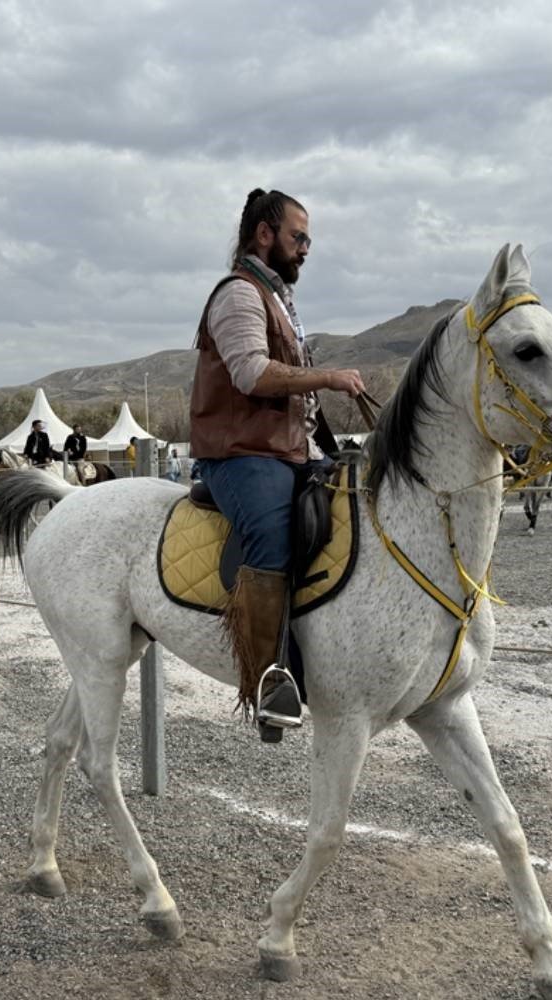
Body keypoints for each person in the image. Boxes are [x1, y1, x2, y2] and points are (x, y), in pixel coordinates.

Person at [189, 188, 365, 736]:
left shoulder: (279, 299)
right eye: (299, 236)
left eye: (307, 238)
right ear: (265, 234)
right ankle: (269, 679)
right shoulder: (239, 295)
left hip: (288, 449)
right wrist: (328, 377)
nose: (306, 248)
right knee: (271, 532)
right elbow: (251, 374)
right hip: (240, 454)